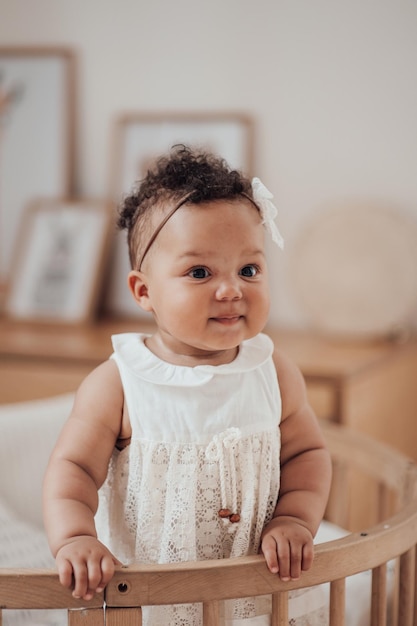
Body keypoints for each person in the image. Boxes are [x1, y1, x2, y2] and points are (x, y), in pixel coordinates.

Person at [43, 144, 332, 625]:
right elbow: (73, 469)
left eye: (249, 269)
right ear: (144, 291)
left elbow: (307, 455)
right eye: (200, 272)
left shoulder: (273, 371)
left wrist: (294, 519)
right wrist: (74, 537)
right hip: (150, 593)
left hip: (255, 589)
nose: (231, 289)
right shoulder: (119, 383)